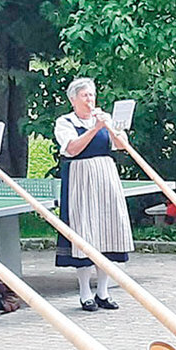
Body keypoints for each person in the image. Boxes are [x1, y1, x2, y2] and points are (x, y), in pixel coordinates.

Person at [54, 77, 134, 311]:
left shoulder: (104, 119)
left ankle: (103, 291)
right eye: (84, 96)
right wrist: (94, 129)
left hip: (105, 176)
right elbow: (72, 149)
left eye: (91, 95)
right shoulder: (65, 122)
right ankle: (84, 292)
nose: (90, 99)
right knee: (84, 231)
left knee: (107, 229)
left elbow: (121, 146)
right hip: (81, 177)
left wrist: (111, 127)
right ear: (73, 99)